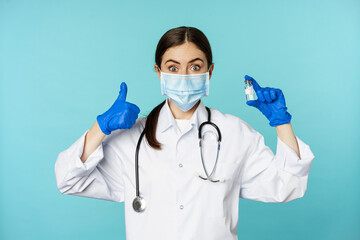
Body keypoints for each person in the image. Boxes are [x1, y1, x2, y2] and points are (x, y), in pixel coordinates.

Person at [54, 26, 315, 240]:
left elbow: (288, 186)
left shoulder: (235, 133)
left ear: (209, 71)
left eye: (194, 66)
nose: (184, 75)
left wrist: (281, 122)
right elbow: (68, 180)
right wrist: (100, 128)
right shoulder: (132, 138)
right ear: (158, 72)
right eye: (173, 67)